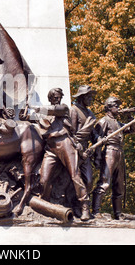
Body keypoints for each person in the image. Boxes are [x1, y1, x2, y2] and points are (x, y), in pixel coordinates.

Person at [32, 88, 91, 221]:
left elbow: (54, 110)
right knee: (44, 179)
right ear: (50, 99)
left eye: (59, 97)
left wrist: (36, 108)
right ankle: (46, 206)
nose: (57, 100)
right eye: (55, 98)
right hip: (50, 147)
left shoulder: (64, 108)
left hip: (65, 143)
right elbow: (40, 126)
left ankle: (85, 207)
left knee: (75, 175)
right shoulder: (46, 116)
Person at [91, 96, 135, 220]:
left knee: (119, 184)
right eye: (116, 106)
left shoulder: (118, 123)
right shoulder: (104, 121)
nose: (118, 108)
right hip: (109, 152)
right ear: (109, 107)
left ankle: (118, 213)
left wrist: (129, 116)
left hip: (119, 153)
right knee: (104, 182)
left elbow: (133, 130)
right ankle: (95, 211)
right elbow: (97, 140)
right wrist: (98, 157)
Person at [68, 85, 99, 217]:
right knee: (74, 179)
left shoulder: (90, 113)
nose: (91, 99)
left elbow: (93, 134)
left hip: (86, 150)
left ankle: (82, 206)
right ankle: (77, 207)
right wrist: (79, 149)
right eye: (88, 96)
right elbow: (70, 133)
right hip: (75, 150)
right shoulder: (74, 111)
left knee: (89, 180)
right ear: (82, 97)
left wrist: (98, 139)